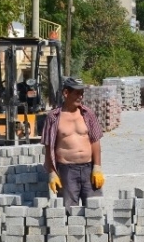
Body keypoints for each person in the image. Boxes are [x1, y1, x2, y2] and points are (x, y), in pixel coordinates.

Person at [41, 77, 104, 213]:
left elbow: (95, 141)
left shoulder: (88, 114)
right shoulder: (53, 117)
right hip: (67, 171)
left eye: (82, 93)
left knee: (94, 210)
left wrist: (97, 167)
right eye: (76, 93)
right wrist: (52, 172)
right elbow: (48, 146)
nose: (80, 96)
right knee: (69, 211)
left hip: (88, 168)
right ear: (66, 93)